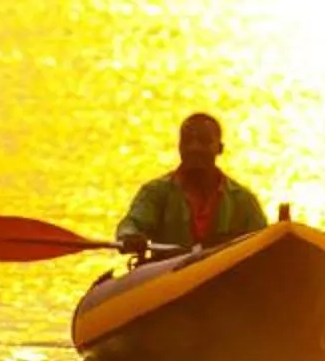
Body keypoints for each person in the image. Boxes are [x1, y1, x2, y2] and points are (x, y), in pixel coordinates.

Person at [113, 112, 272, 264]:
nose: (194, 148)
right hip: (168, 278)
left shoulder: (242, 199)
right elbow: (132, 223)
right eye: (187, 141)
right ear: (179, 147)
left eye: (204, 141)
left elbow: (264, 242)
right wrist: (131, 237)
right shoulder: (157, 192)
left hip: (226, 279)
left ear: (220, 148)